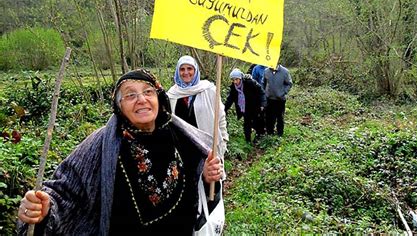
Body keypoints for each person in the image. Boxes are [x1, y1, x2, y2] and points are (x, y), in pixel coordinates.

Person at [17, 69, 223, 235]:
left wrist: (205, 176)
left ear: (159, 99)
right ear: (119, 106)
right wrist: (43, 207)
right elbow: (64, 190)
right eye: (130, 95)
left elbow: (197, 178)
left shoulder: (179, 135)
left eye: (148, 92)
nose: (141, 99)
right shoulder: (101, 143)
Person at [167, 55, 228, 158]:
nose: (186, 72)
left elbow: (220, 116)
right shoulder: (171, 95)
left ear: (195, 70)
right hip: (183, 149)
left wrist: (224, 139)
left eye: (189, 68)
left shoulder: (209, 90)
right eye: (182, 69)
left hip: (207, 146)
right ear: (178, 71)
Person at [224, 68, 266, 143]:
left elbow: (261, 92)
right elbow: (230, 99)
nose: (235, 82)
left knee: (257, 123)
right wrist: (224, 109)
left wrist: (263, 104)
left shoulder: (250, 83)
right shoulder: (233, 88)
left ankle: (259, 136)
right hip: (244, 108)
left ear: (240, 78)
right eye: (233, 80)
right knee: (247, 124)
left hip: (255, 106)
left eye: (237, 79)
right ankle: (248, 141)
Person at [263, 64, 293, 136]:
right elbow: (263, 82)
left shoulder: (285, 72)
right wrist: (265, 92)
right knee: (269, 117)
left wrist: (283, 92)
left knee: (280, 117)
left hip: (280, 99)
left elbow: (289, 84)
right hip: (269, 98)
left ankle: (280, 134)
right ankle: (270, 133)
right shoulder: (266, 71)